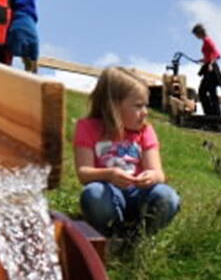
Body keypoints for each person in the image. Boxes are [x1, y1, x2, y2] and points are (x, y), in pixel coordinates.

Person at [73, 68, 182, 237]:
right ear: (113, 106)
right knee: (93, 194)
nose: (145, 112)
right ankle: (112, 234)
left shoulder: (145, 131)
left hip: (140, 193)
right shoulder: (87, 128)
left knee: (168, 197)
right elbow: (83, 173)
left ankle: (141, 236)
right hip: (108, 192)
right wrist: (109, 174)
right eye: (138, 106)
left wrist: (150, 177)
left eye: (146, 105)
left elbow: (158, 173)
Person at [192, 23, 221, 118]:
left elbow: (216, 54)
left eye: (196, 34)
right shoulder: (206, 41)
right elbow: (210, 55)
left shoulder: (208, 41)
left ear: (199, 33)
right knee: (208, 91)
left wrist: (210, 63)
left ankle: (214, 114)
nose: (196, 37)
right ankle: (212, 113)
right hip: (208, 67)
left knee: (206, 91)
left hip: (211, 69)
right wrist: (203, 59)